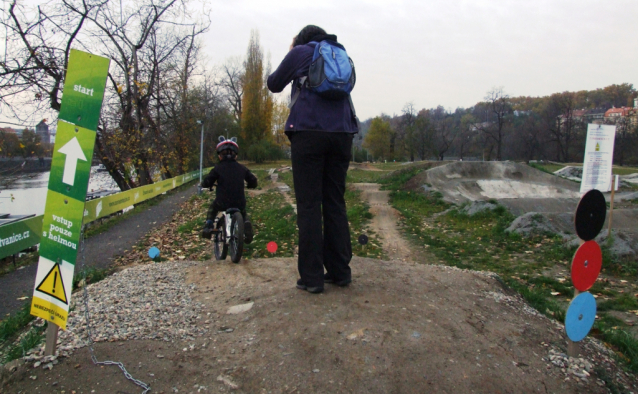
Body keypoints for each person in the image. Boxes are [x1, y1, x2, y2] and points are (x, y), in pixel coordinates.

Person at [267, 25, 358, 294]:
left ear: (302, 39)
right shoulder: (339, 53)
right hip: (342, 133)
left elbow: (273, 84)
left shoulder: (301, 53)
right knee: (335, 202)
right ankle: (341, 272)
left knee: (309, 205)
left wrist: (293, 52)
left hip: (309, 133)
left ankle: (312, 277)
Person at [201, 137, 258, 243]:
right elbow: (253, 180)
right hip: (239, 201)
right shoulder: (242, 168)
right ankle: (246, 223)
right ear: (235, 155)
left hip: (222, 202)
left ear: (219, 156)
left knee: (213, 208)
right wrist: (251, 185)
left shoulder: (217, 168)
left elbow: (208, 181)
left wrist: (205, 185)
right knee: (243, 212)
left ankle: (208, 225)